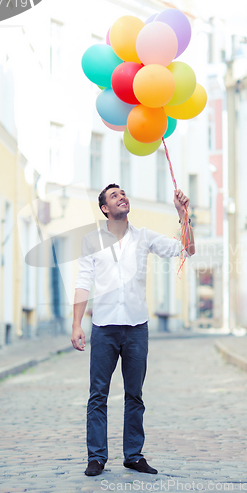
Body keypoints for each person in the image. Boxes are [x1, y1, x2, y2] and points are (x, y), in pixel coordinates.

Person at [71, 183, 195, 477]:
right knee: (98, 395)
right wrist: (76, 324)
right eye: (115, 195)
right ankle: (97, 457)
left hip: (137, 328)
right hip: (104, 328)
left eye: (123, 193)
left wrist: (183, 216)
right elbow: (83, 282)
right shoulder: (91, 241)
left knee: (135, 395)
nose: (122, 197)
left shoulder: (143, 237)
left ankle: (133, 455)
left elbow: (186, 250)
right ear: (105, 208)